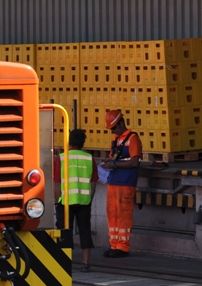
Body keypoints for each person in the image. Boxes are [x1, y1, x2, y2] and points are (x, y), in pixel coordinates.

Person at [53, 128, 97, 272]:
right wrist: (89, 199)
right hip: (84, 201)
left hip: (65, 201)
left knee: (65, 231)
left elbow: (57, 183)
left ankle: (66, 262)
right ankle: (85, 263)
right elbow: (93, 183)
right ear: (83, 142)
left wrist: (57, 199)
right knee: (85, 231)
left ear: (69, 141)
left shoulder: (61, 158)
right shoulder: (89, 159)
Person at [100, 109, 141, 258]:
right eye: (111, 129)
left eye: (114, 128)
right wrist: (108, 162)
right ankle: (114, 245)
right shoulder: (116, 140)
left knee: (123, 214)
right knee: (112, 213)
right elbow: (114, 158)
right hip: (114, 181)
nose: (113, 131)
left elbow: (134, 161)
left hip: (126, 182)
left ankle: (123, 247)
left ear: (122, 123)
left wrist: (115, 165)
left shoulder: (133, 138)